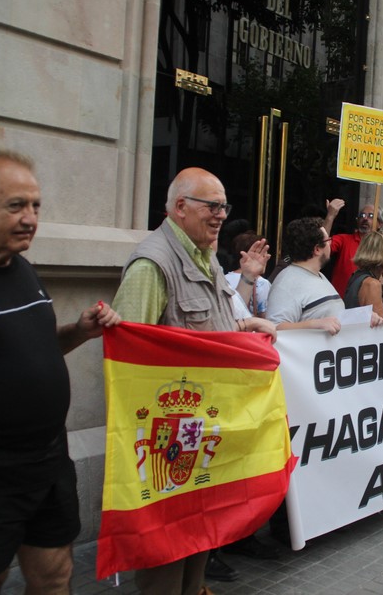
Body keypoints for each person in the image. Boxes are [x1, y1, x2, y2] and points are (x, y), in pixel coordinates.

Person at [0, 150, 120, 594]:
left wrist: (78, 332)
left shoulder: (21, 267)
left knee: (56, 575)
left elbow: (35, 352)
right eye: (16, 205)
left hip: (47, 463)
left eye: (36, 206)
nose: (30, 218)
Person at [112, 167, 276, 594]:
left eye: (224, 206)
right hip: (168, 438)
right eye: (212, 206)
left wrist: (249, 337)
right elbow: (129, 357)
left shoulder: (205, 257)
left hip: (202, 431)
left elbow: (217, 329)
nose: (221, 214)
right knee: (166, 548)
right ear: (180, 207)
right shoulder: (153, 263)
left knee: (198, 537)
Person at [324, 199, 383, 296]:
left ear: (380, 224)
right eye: (362, 215)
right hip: (341, 304)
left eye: (371, 216)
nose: (365, 218)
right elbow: (321, 246)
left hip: (367, 304)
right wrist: (330, 216)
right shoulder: (344, 240)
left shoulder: (382, 247)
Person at [226, 231, 272, 318]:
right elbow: (266, 317)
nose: (267, 258)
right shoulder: (262, 283)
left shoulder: (223, 279)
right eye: (263, 255)